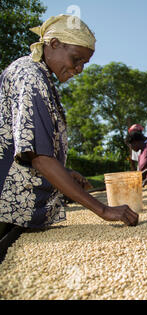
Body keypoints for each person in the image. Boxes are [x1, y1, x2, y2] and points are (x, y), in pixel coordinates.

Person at [0, 15, 138, 231]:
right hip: (10, 210)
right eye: (76, 59)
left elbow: (30, 150)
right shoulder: (31, 78)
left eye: (84, 63)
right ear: (54, 44)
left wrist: (65, 173)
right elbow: (40, 159)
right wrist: (103, 210)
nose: (80, 69)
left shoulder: (41, 77)